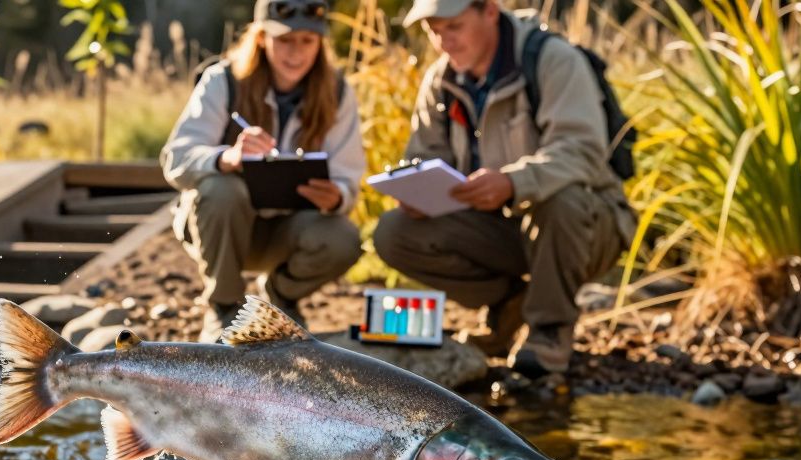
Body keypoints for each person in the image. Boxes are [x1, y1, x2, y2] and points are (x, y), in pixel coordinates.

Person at [372, 0, 637, 376]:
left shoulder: (553, 60)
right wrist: (418, 195)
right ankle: (508, 305)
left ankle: (549, 329)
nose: (444, 41)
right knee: (394, 231)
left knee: (560, 199)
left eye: (454, 27)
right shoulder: (440, 81)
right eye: (434, 31)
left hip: (587, 224)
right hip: (498, 228)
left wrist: (514, 183)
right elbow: (425, 158)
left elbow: (581, 151)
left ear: (490, 11)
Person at [161, 0, 366, 343]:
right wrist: (227, 158)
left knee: (343, 238)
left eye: (307, 41)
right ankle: (223, 307)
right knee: (221, 190)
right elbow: (175, 160)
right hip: (220, 228)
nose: (296, 53)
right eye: (284, 40)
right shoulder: (222, 80)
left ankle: (280, 297)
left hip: (286, 233)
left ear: (320, 43)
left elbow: (348, 176)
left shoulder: (338, 92)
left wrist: (337, 197)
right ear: (260, 38)